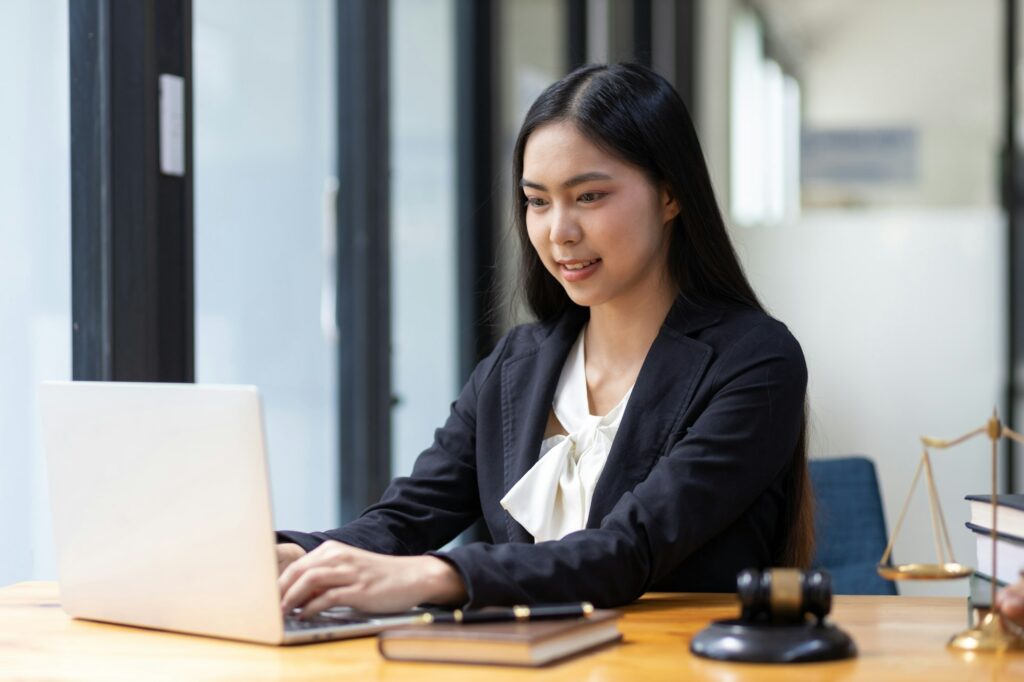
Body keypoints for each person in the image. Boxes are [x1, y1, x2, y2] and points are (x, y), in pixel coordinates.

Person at [275, 62, 813, 619]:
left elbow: (628, 552)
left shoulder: (755, 361)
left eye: (589, 197)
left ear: (670, 195)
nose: (559, 232)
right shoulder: (517, 364)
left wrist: (436, 574)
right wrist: (296, 555)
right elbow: (407, 517)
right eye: (537, 201)